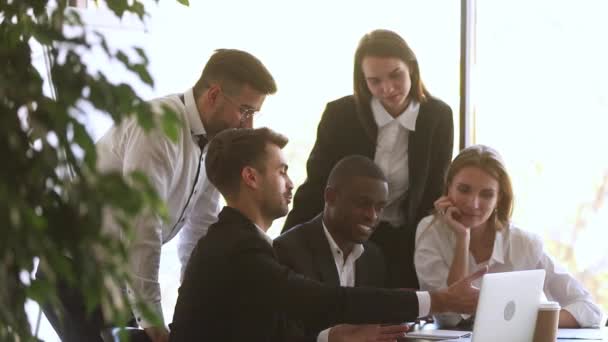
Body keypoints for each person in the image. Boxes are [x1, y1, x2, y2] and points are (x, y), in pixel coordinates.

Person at [39, 49, 277, 342]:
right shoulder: (158, 127)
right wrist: (152, 318)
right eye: (245, 110)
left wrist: (195, 302)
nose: (249, 125)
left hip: (116, 277)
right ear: (214, 94)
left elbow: (199, 230)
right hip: (73, 271)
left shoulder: (215, 143)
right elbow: (142, 227)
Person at [170, 127, 485, 342]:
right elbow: (322, 300)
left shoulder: (237, 240)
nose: (291, 184)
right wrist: (440, 299)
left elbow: (276, 331)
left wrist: (330, 337)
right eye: (281, 171)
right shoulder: (238, 248)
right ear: (251, 177)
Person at [282, 29, 454, 289]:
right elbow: (318, 184)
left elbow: (433, 190)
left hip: (405, 240)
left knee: (396, 321)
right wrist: (284, 246)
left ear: (412, 68)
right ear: (363, 81)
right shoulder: (341, 115)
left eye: (395, 75)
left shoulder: (437, 116)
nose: (387, 88)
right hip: (344, 237)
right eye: (374, 80)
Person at [414, 144, 604, 328]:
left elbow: (590, 309)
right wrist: (463, 237)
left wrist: (529, 320)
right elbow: (449, 316)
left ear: (500, 199)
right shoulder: (430, 232)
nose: (473, 204)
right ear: (449, 189)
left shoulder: (523, 243)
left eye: (487, 194)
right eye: (464, 190)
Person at [275, 155, 405, 341]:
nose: (373, 216)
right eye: (363, 204)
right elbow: (282, 334)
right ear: (331, 197)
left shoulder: (373, 257)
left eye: (380, 207)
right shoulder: (288, 250)